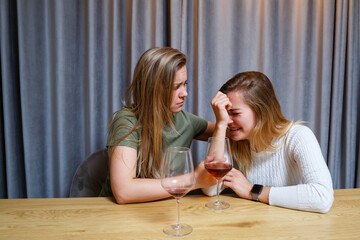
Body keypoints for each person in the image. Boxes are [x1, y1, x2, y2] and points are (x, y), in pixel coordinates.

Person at [202, 71, 334, 213]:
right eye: (225, 113)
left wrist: (252, 191)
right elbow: (210, 189)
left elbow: (322, 197)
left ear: (261, 111)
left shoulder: (298, 136)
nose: (228, 121)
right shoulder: (233, 139)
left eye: (235, 113)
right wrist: (220, 125)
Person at [99, 47, 216, 204]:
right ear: (153, 88)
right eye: (176, 86)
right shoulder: (127, 121)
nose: (185, 93)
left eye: (185, 84)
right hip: (115, 215)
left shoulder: (186, 120)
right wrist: (193, 179)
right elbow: (123, 192)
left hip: (163, 212)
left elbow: (230, 134)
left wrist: (222, 122)